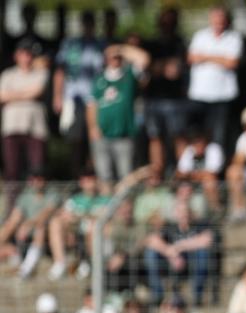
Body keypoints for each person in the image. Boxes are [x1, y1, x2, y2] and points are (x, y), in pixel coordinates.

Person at [87, 43, 150, 194]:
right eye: (112, 57)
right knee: (104, 176)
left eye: (118, 57)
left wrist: (121, 48)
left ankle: (123, 210)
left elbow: (144, 58)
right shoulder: (99, 79)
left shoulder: (129, 76)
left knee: (126, 176)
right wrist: (93, 127)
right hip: (102, 134)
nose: (115, 60)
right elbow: (91, 106)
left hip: (124, 134)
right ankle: (107, 209)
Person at [53, 10, 106, 174]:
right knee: (75, 141)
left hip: (96, 100)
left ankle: (93, 178)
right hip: (74, 99)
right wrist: (57, 96)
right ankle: (76, 178)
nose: (88, 26)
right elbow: (60, 70)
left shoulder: (101, 45)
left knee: (95, 141)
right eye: (86, 22)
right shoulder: (70, 44)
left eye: (91, 23)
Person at [187, 6, 243, 150]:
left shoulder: (234, 38)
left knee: (220, 135)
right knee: (198, 134)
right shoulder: (200, 36)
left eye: (221, 18)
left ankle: (217, 167)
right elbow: (192, 58)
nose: (218, 21)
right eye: (215, 18)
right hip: (200, 94)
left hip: (222, 95)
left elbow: (232, 62)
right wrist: (220, 57)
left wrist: (205, 56)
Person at [143, 196, 214, 305]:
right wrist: (170, 253)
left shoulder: (198, 225)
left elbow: (206, 240)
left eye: (186, 211)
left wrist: (179, 246)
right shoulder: (170, 227)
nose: (183, 214)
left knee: (202, 253)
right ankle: (158, 294)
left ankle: (197, 295)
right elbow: (151, 240)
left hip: (192, 262)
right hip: (172, 263)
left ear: (190, 212)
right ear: (175, 214)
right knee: (150, 253)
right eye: (180, 211)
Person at [144, 7, 188, 172]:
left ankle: (183, 174)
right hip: (153, 98)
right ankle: (157, 173)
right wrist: (162, 67)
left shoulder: (179, 43)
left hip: (175, 99)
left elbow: (175, 70)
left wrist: (158, 67)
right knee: (155, 137)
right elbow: (149, 66)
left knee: (178, 136)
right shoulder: (152, 44)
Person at [47, 170, 111, 281]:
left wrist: (80, 216)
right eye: (84, 179)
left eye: (91, 178)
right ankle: (60, 263)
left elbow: (105, 218)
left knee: (92, 226)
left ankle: (90, 263)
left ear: (96, 181)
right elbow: (65, 215)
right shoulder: (74, 199)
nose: (88, 182)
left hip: (98, 236)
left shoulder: (105, 199)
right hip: (76, 234)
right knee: (55, 222)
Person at [0, 40, 49, 183]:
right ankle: (13, 204)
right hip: (12, 127)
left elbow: (37, 91)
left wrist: (13, 95)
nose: (26, 58)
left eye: (29, 54)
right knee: (12, 170)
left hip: (35, 128)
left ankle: (35, 203)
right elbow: (2, 96)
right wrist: (26, 94)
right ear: (16, 55)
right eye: (23, 54)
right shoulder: (7, 75)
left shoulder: (41, 73)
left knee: (37, 170)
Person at [175, 128, 225, 212]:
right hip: (193, 185)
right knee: (184, 188)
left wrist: (190, 175)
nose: (197, 144)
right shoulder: (189, 150)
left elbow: (212, 173)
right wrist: (194, 175)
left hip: (217, 185)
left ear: (205, 141)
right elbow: (179, 173)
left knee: (209, 180)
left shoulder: (213, 148)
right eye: (194, 142)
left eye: (199, 141)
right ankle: (183, 219)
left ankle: (216, 211)